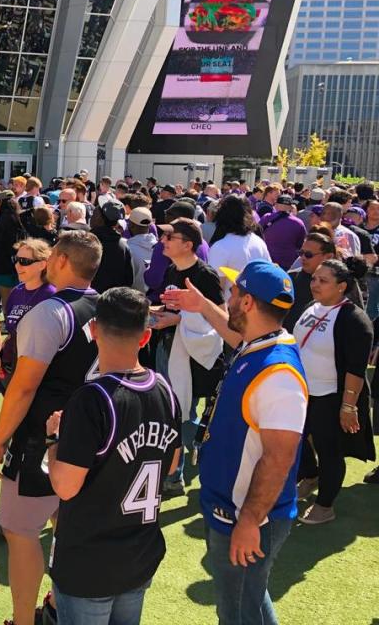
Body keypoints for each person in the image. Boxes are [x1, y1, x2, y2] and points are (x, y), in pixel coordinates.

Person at [161, 260, 308, 625]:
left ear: (247, 303)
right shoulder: (261, 342)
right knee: (249, 598)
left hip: (247, 516)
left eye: (234, 291)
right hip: (233, 508)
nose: (228, 297)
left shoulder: (278, 374)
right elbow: (235, 334)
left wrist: (249, 521)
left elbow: (279, 458)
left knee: (237, 610)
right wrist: (201, 306)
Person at [46, 287, 181, 624]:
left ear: (93, 329)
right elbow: (172, 464)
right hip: (139, 554)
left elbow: (65, 487)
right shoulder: (165, 389)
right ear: (146, 335)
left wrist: (54, 438)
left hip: (90, 561)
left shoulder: (92, 399)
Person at [0, 231, 101, 625]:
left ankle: (23, 620)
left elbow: (23, 386)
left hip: (44, 434)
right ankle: (57, 606)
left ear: (64, 261)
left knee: (20, 530)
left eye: (53, 255)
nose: (47, 261)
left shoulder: (50, 312)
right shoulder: (108, 307)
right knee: (66, 524)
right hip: (93, 432)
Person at [290, 259, 374, 524]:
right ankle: (311, 475)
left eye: (323, 281)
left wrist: (348, 406)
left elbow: (356, 368)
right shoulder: (311, 307)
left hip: (331, 396)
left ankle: (325, 505)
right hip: (302, 392)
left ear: (341, 287)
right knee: (295, 440)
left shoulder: (353, 319)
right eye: (314, 278)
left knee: (330, 450)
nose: (315, 284)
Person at [151, 218, 225, 497]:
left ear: (188, 244)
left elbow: (219, 316)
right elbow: (171, 305)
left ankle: (177, 473)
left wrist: (176, 320)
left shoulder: (204, 274)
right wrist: (156, 312)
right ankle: (172, 469)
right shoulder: (172, 269)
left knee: (182, 414)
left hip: (193, 354)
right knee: (169, 411)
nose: (163, 240)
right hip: (167, 348)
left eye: (170, 236)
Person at [0, 238, 57, 393]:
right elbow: (12, 330)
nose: (18, 265)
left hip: (37, 374)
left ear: (42, 264)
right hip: (12, 367)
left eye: (24, 261)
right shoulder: (16, 291)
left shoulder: (51, 294)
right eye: (16, 259)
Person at [207, 195, 270, 298]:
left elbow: (215, 292)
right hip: (253, 307)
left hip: (231, 309)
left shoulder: (221, 247)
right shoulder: (259, 242)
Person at [90, 200, 136, 294]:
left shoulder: (86, 241)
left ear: (100, 218)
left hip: (89, 299)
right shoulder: (123, 245)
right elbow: (129, 280)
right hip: (113, 300)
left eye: (96, 212)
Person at [0, 195, 25, 305]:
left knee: (6, 296)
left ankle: (7, 317)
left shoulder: (1, 219)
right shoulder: (21, 219)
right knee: (18, 293)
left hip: (3, 260)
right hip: (20, 259)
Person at [260, 195, 307, 270]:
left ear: (276, 205)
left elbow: (257, 234)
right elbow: (301, 244)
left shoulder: (266, 218)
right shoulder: (298, 223)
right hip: (287, 264)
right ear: (291, 207)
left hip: (266, 260)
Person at [125, 206, 157, 292]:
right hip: (156, 299)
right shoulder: (160, 247)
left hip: (134, 299)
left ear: (130, 225)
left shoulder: (127, 248)